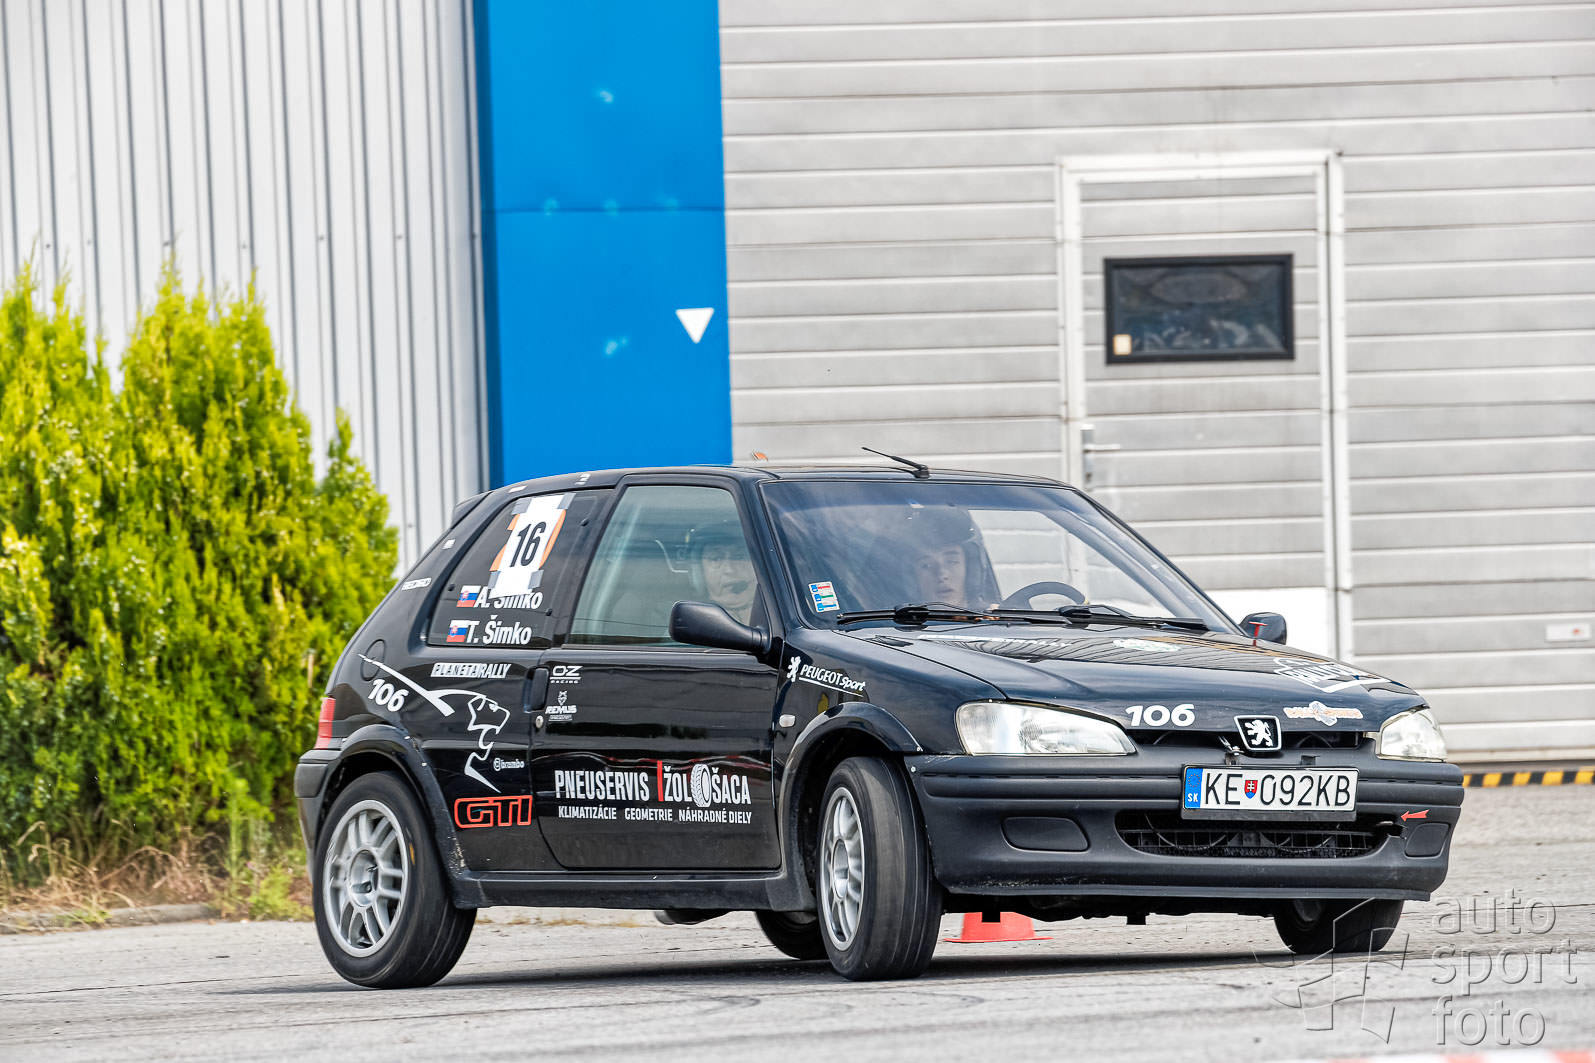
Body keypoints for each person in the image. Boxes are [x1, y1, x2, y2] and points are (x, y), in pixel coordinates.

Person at [689, 521, 759, 624]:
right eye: (715, 558)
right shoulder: (691, 624)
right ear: (700, 573)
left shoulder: (782, 615)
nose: (729, 569)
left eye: (739, 557)